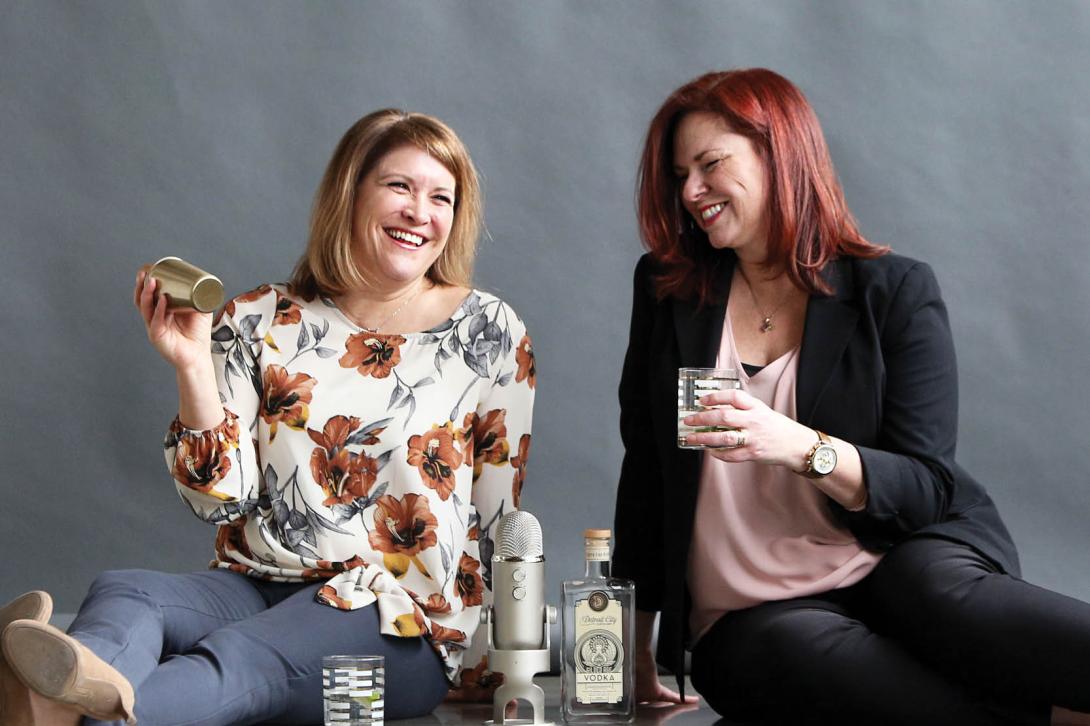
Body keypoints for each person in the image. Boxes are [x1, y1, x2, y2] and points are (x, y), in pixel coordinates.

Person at [0, 109, 535, 725]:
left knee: (245, 659)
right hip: (255, 585)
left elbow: (500, 516)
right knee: (129, 590)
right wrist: (192, 365)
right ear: (350, 192)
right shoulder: (259, 319)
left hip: (397, 630)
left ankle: (66, 713)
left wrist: (492, 662)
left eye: (441, 197)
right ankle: (62, 695)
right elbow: (219, 503)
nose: (421, 212)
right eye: (399, 187)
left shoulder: (488, 333)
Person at [611, 68, 1090, 726]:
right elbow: (646, 470)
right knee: (789, 650)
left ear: (779, 152)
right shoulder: (671, 291)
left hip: (894, 556)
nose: (691, 191)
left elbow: (926, 486)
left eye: (710, 164)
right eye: (678, 175)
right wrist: (634, 650)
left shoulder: (892, 291)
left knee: (943, 594)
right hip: (751, 611)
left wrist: (802, 447)